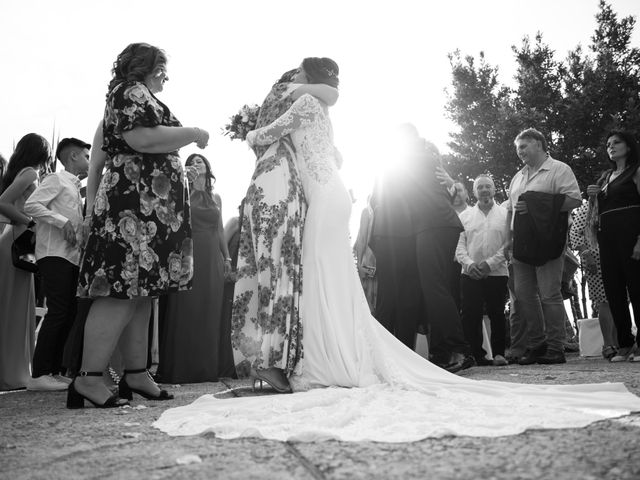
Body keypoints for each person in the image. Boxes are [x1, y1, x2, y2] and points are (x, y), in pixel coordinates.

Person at [154, 62, 640, 443]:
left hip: (323, 199)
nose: (295, 82)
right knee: (328, 275)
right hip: (333, 191)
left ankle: (326, 356)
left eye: (299, 76)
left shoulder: (304, 101)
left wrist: (262, 123)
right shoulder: (319, 108)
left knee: (324, 273)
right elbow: (338, 154)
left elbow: (260, 136)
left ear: (306, 77)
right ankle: (326, 352)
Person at [69, 42, 209, 409]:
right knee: (118, 291)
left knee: (142, 293)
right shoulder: (128, 91)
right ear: (146, 66)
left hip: (149, 212)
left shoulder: (139, 94)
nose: (166, 75)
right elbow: (141, 139)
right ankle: (88, 378)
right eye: (162, 67)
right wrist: (193, 132)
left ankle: (136, 373)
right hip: (133, 209)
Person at [231, 64, 339, 392]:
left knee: (277, 267)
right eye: (299, 76)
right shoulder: (287, 93)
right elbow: (330, 95)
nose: (303, 80)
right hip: (277, 183)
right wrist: (252, 135)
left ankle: (271, 360)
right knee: (275, 267)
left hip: (281, 182)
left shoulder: (293, 102)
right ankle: (268, 361)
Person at [505, 128, 582, 365]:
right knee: (524, 295)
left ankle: (556, 347)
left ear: (539, 144)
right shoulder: (517, 177)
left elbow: (574, 199)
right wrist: (508, 240)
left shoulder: (559, 169)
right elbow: (510, 209)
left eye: (524, 146)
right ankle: (537, 345)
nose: (520, 152)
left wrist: (536, 206)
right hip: (521, 244)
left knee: (550, 294)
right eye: (518, 149)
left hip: (549, 241)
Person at [157, 153, 233, 383]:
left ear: (208, 168)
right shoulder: (181, 192)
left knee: (210, 308)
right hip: (189, 252)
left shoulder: (216, 197)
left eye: (200, 161)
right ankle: (182, 367)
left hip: (213, 256)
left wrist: (227, 258)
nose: (196, 164)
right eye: (191, 161)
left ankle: (206, 368)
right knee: (187, 307)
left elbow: (220, 230)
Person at [23, 137, 90, 391]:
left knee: (69, 313)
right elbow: (32, 205)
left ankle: (54, 370)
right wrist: (61, 221)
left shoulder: (75, 187)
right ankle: (39, 375)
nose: (89, 161)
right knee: (59, 311)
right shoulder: (55, 179)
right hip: (53, 255)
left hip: (71, 257)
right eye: (85, 156)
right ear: (72, 157)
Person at [0, 133, 51, 390]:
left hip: (10, 241)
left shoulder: (20, 172)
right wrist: (29, 222)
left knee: (12, 307)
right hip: (17, 244)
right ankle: (14, 373)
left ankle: (11, 371)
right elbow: (3, 203)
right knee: (16, 308)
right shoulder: (31, 173)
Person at [587, 131, 640, 362]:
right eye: (608, 144)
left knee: (637, 290)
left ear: (629, 146)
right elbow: (595, 213)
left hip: (631, 237)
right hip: (607, 240)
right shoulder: (605, 177)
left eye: (617, 142)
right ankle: (625, 344)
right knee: (614, 291)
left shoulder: (636, 171)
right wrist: (594, 195)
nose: (611, 147)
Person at [455, 174, 509, 366]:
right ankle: (476, 355)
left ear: (494, 190)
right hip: (470, 273)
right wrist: (470, 265)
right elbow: (458, 245)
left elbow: (509, 244)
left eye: (488, 186)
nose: (484, 190)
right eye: (480, 187)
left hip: (497, 272)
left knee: (497, 313)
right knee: (470, 314)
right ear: (474, 192)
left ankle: (499, 354)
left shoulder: (505, 214)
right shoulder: (464, 216)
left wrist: (489, 264)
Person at [569, 202, 617, 359]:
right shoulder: (592, 203)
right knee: (604, 300)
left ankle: (623, 343)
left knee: (623, 300)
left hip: (623, 251)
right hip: (596, 256)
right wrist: (586, 253)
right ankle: (609, 344)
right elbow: (575, 231)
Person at [353, 195, 377, 313]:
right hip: (374, 262)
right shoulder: (371, 212)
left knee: (368, 298)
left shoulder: (367, 212)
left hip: (368, 262)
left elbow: (362, 239)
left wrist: (358, 265)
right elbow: (362, 239)